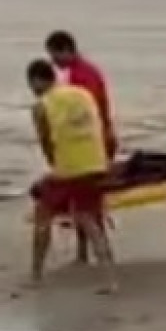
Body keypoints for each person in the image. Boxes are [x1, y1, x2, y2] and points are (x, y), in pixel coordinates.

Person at [26, 59, 118, 295]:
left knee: (42, 215)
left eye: (31, 84)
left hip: (70, 169)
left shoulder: (41, 106)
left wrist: (56, 168)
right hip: (96, 163)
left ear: (37, 81)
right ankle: (109, 277)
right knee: (89, 219)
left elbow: (47, 144)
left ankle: (36, 274)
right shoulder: (82, 94)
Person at [45, 30, 118, 264]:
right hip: (96, 141)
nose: (53, 62)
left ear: (66, 50)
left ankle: (97, 252)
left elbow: (84, 116)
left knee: (88, 202)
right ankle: (85, 250)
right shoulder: (83, 72)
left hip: (93, 145)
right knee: (84, 200)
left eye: (54, 55)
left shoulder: (82, 76)